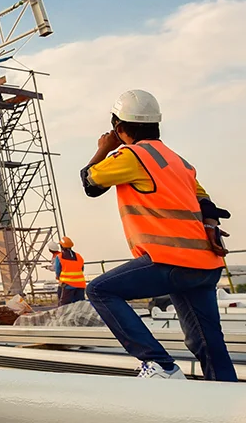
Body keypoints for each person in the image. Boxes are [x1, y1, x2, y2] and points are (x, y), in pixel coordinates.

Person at [81, 90, 235, 381]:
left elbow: (90, 182)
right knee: (208, 344)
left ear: (119, 127)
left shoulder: (130, 155)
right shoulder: (179, 161)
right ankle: (228, 405)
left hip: (170, 260)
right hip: (205, 264)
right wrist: (212, 224)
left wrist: (103, 148)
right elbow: (205, 201)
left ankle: (160, 365)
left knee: (100, 290)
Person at [52, 237, 86, 306]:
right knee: (80, 305)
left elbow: (58, 271)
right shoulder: (78, 256)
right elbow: (81, 269)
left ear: (61, 246)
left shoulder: (60, 257)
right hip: (80, 284)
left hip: (67, 285)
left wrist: (59, 278)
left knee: (64, 306)